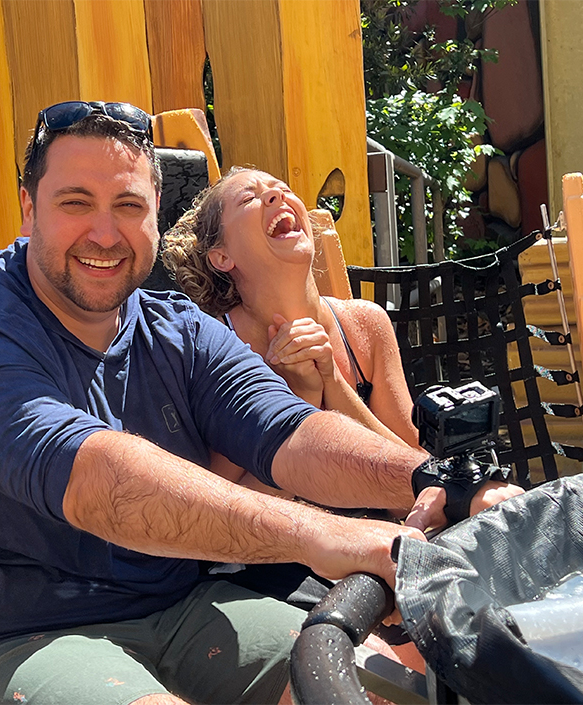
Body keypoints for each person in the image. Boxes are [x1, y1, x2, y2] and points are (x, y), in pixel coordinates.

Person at [0, 102, 510, 705]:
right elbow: (100, 483)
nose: (105, 234)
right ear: (29, 210)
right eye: (76, 202)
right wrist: (328, 535)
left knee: (379, 685)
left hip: (170, 610)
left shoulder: (178, 329)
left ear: (157, 214)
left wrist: (442, 483)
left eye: (129, 205)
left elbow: (292, 433)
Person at [162, 167, 521, 508]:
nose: (276, 194)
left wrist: (333, 383)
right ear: (222, 256)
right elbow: (220, 510)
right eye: (248, 199)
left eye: (283, 188)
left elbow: (418, 477)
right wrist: (301, 398)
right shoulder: (213, 346)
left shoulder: (365, 325)